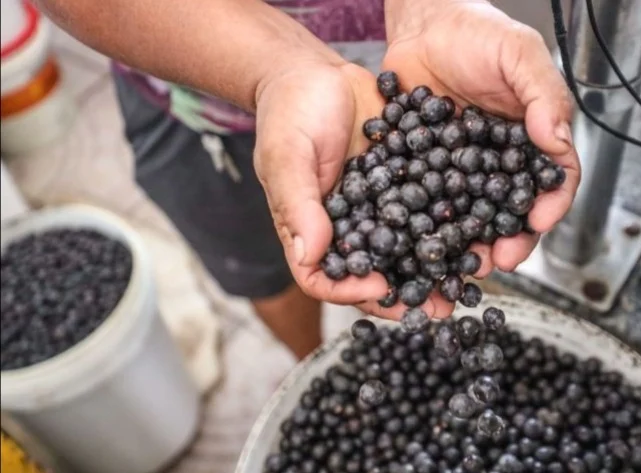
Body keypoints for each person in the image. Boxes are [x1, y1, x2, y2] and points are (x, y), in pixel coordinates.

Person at [35, 0, 580, 359]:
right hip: (193, 86)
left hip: (426, 60)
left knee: (317, 245)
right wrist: (276, 69)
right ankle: (311, 359)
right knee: (261, 267)